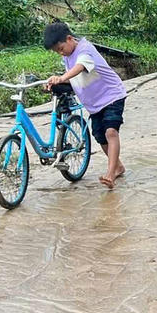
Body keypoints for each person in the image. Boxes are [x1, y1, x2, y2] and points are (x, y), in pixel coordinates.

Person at [42, 22, 128, 189]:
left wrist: (62, 77)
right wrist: (56, 82)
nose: (60, 53)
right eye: (56, 51)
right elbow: (73, 77)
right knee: (100, 136)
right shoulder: (67, 57)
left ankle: (110, 174)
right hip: (94, 104)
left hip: (112, 95)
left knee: (111, 131)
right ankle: (117, 166)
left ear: (69, 38)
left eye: (60, 48)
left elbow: (80, 67)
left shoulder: (85, 49)